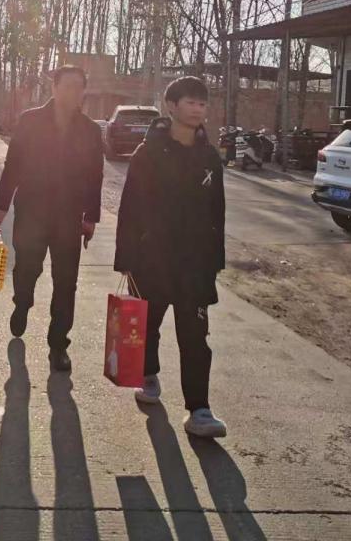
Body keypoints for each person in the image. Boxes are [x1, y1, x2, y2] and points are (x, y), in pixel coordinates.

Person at [114, 76, 228, 438]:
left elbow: (217, 211)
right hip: (153, 258)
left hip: (195, 262)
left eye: (202, 104)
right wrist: (126, 257)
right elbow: (130, 207)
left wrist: (215, 259)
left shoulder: (209, 157)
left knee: (195, 335)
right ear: (171, 106)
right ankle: (148, 374)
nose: (197, 109)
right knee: (148, 324)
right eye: (190, 102)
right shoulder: (148, 154)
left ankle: (199, 409)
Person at [0, 66, 104, 372]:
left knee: (66, 282)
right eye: (67, 86)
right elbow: (14, 163)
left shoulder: (90, 130)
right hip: (32, 211)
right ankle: (22, 303)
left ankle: (59, 345)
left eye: (78, 87)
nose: (73, 93)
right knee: (27, 269)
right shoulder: (31, 121)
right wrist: (2, 204)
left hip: (69, 216)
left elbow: (95, 176)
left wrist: (91, 216)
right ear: (54, 88)